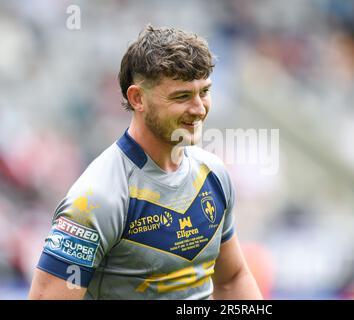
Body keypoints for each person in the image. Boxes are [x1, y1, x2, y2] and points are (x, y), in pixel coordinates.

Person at [28, 24, 262, 300]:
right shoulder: (96, 199)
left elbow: (232, 279)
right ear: (138, 98)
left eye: (204, 92)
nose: (199, 109)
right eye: (182, 96)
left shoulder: (213, 174)